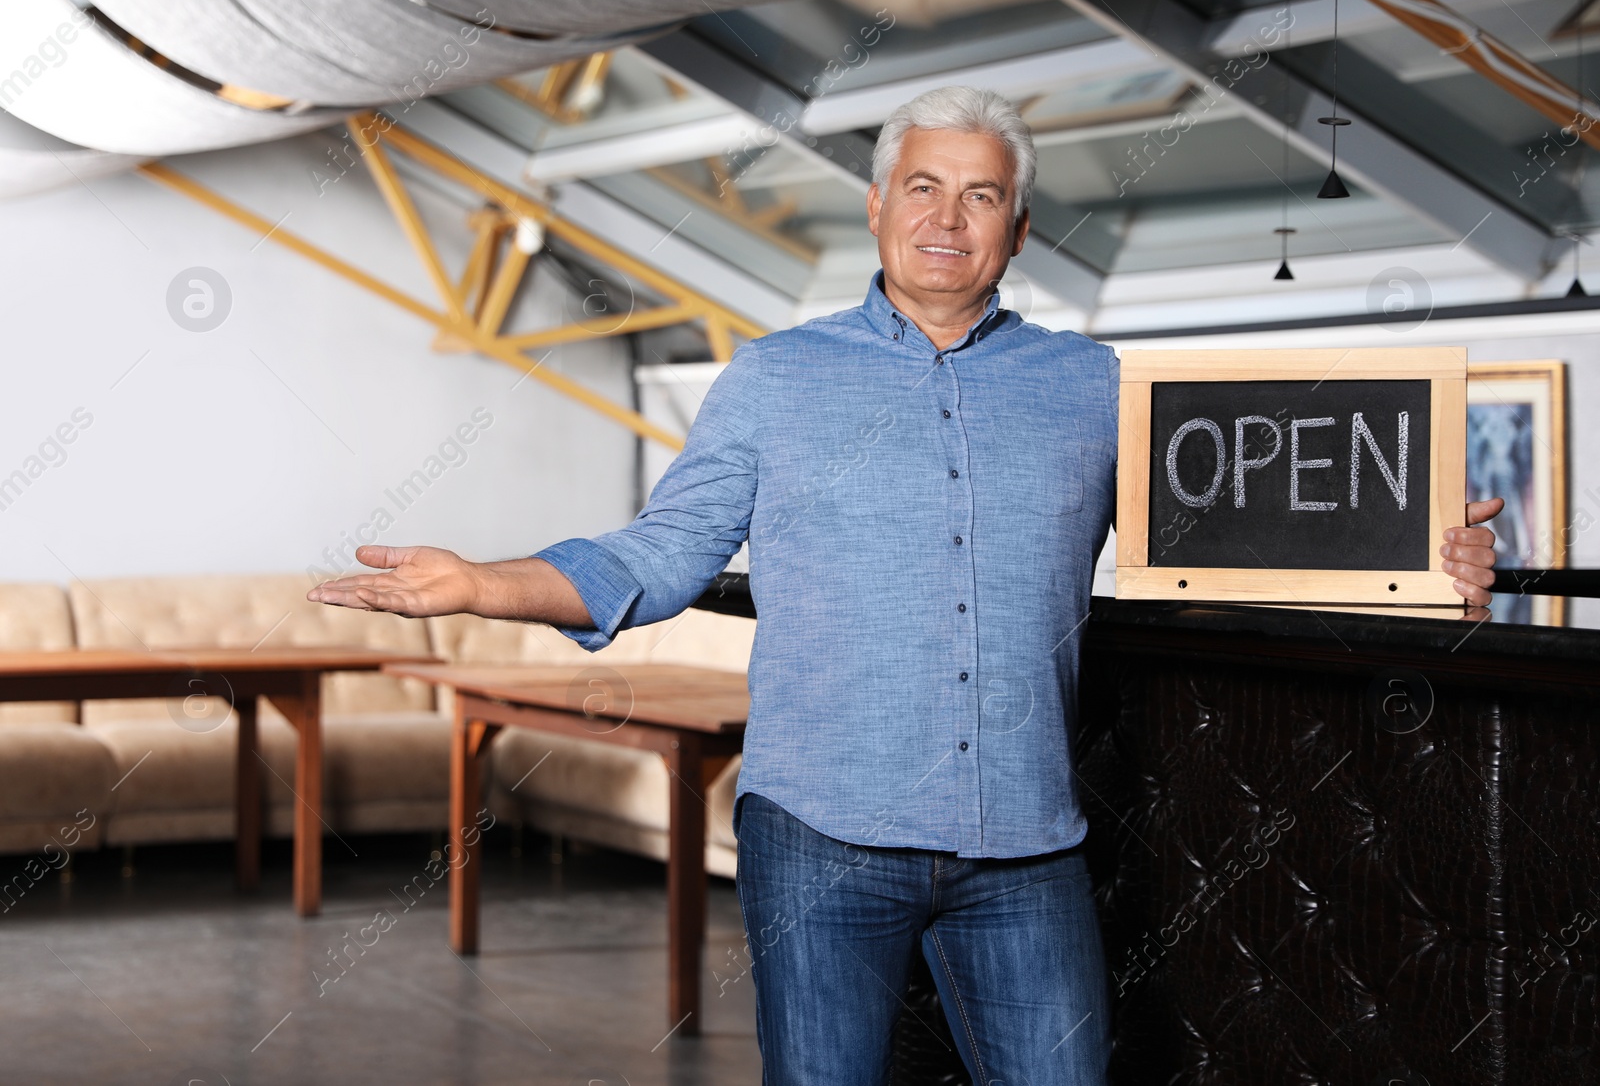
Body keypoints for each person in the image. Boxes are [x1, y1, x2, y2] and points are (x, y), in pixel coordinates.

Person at [308, 86, 1501, 1085]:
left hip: (1027, 848)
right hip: (821, 840)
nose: (948, 216)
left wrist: (1431, 564)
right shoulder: (773, 381)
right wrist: (479, 580)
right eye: (923, 187)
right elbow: (654, 558)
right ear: (877, 206)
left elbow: (1243, 545)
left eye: (981, 193)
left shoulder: (1096, 387)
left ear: (1018, 227)